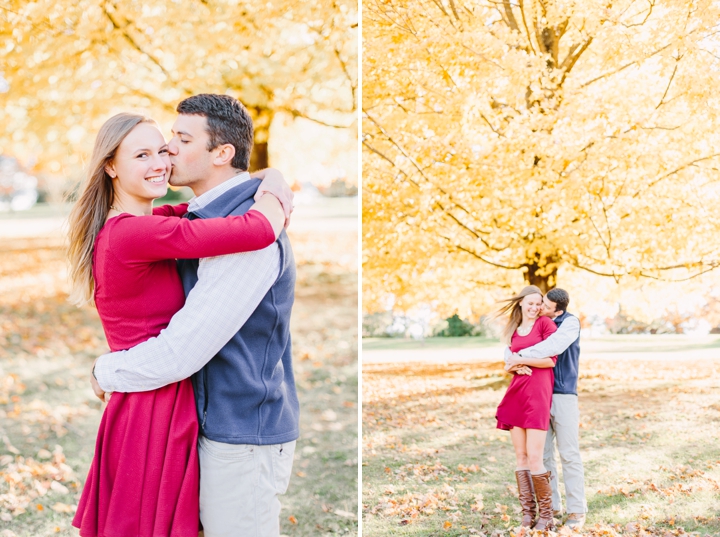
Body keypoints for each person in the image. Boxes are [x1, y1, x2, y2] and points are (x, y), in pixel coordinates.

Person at [66, 112, 292, 537]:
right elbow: (257, 229)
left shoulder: (146, 224)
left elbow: (208, 203)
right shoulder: (134, 235)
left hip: (159, 398)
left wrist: (271, 174)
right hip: (151, 404)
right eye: (142, 155)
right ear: (111, 167)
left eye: (163, 149)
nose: (161, 162)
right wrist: (278, 194)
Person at [504, 288, 587, 529]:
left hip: (563, 394)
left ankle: (576, 511)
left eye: (545, 306)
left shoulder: (569, 324)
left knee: (569, 453)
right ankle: (552, 508)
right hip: (537, 396)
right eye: (538, 304)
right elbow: (514, 340)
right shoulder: (538, 322)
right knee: (543, 456)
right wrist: (510, 360)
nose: (540, 308)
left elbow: (552, 349)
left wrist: (517, 357)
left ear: (558, 310)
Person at [494, 285, 558, 530]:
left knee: (535, 457)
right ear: (521, 303)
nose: (534, 307)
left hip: (538, 394)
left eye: (538, 303)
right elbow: (508, 363)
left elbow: (550, 361)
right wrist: (512, 365)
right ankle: (528, 515)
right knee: (520, 456)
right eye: (530, 303)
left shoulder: (545, 325)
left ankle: (546, 516)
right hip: (517, 393)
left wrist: (520, 359)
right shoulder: (514, 331)